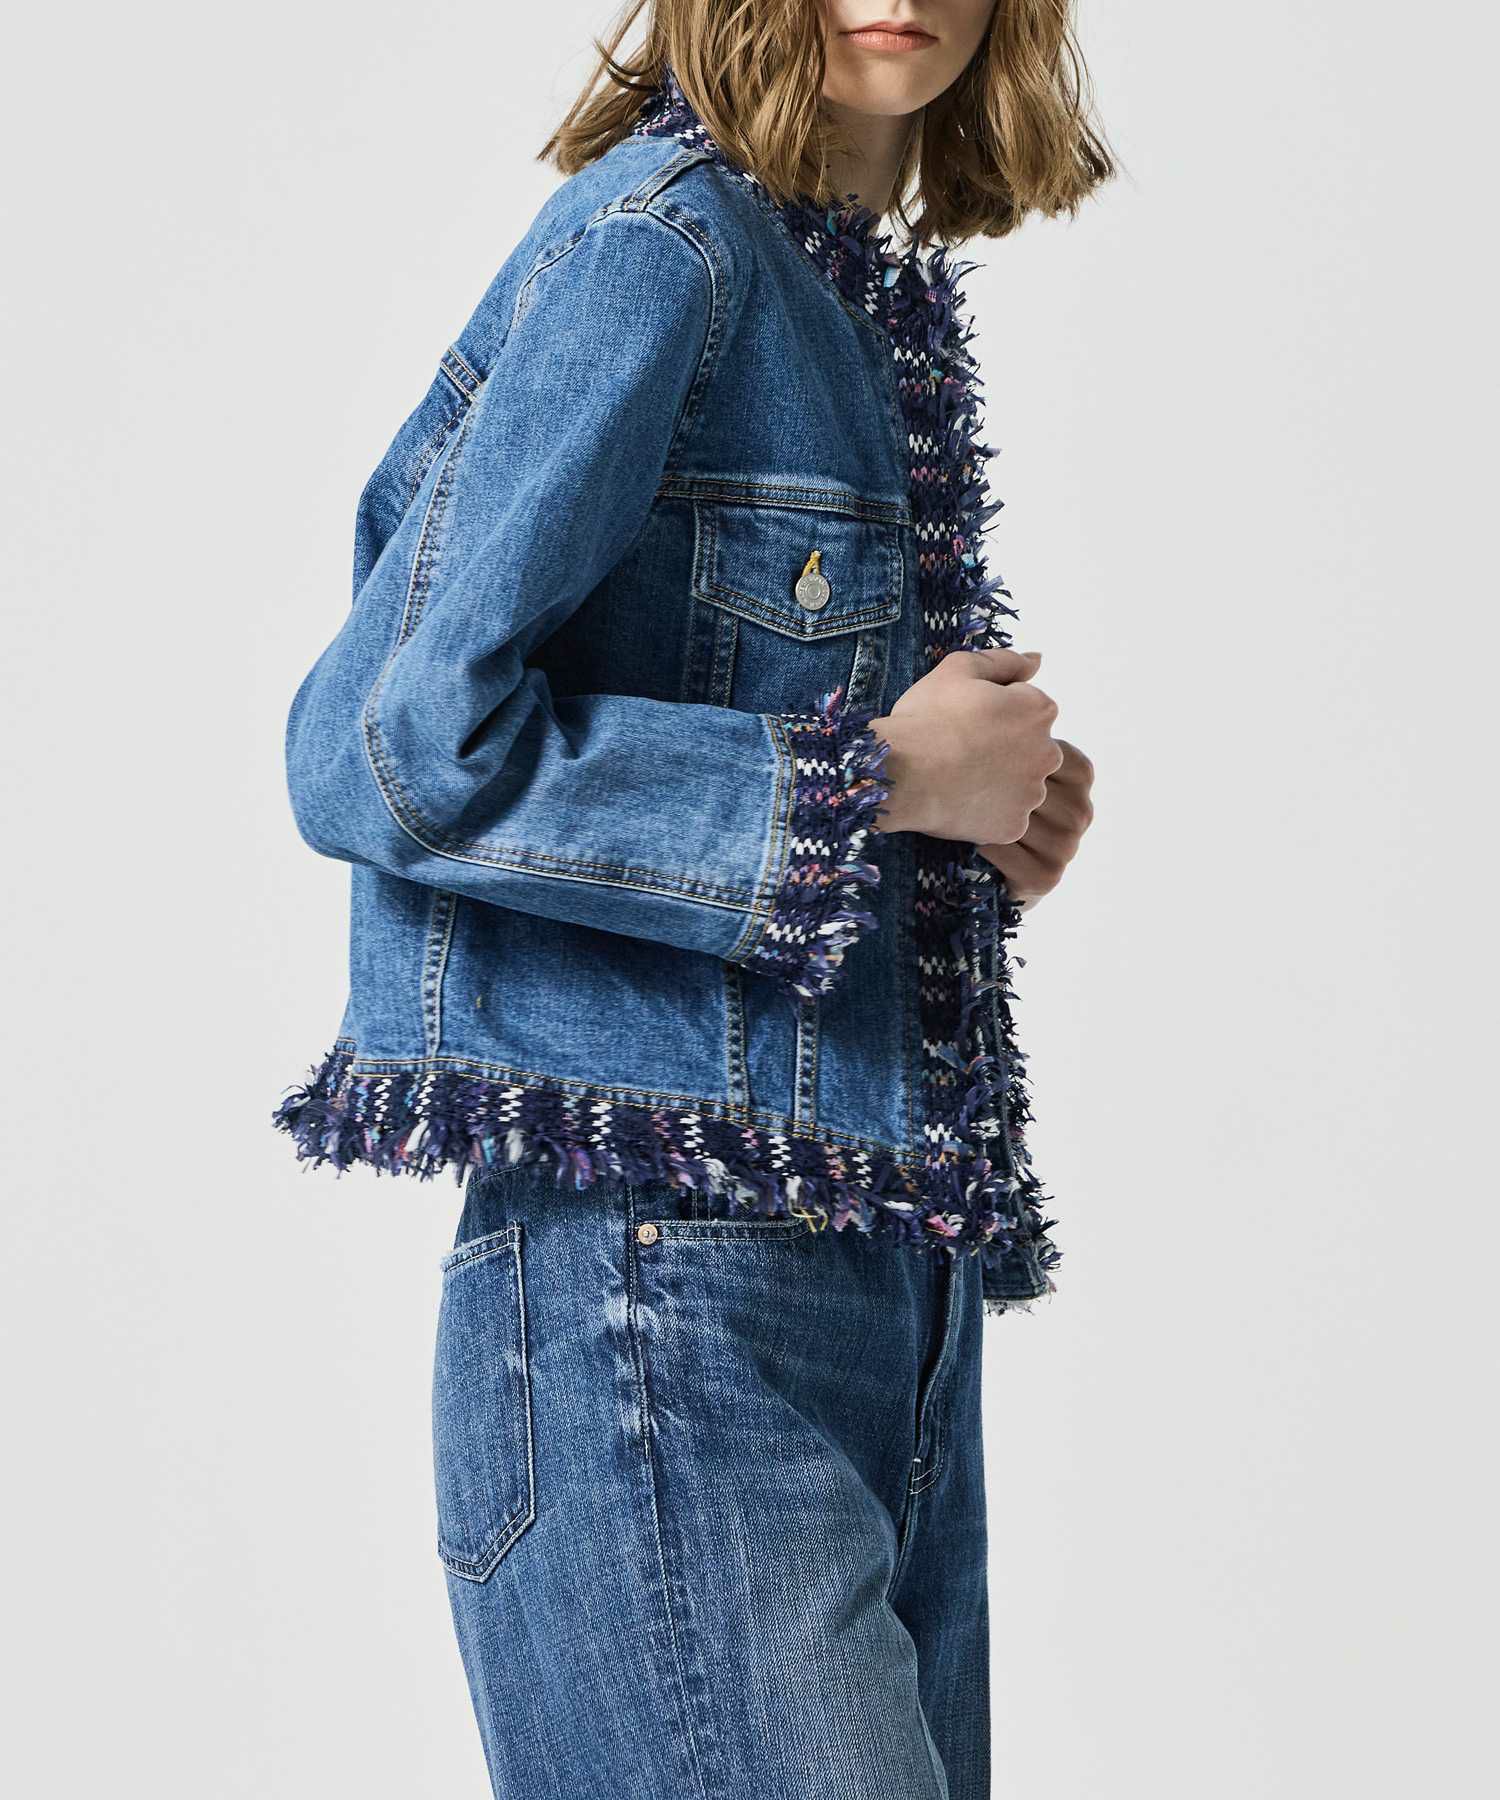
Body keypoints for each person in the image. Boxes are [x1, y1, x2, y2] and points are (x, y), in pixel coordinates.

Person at [272, 4, 1108, 1792]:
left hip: (881, 1297)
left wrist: (952, 829)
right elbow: (386, 749)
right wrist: (863, 782)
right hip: (657, 1299)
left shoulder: (838, 295)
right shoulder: (666, 247)